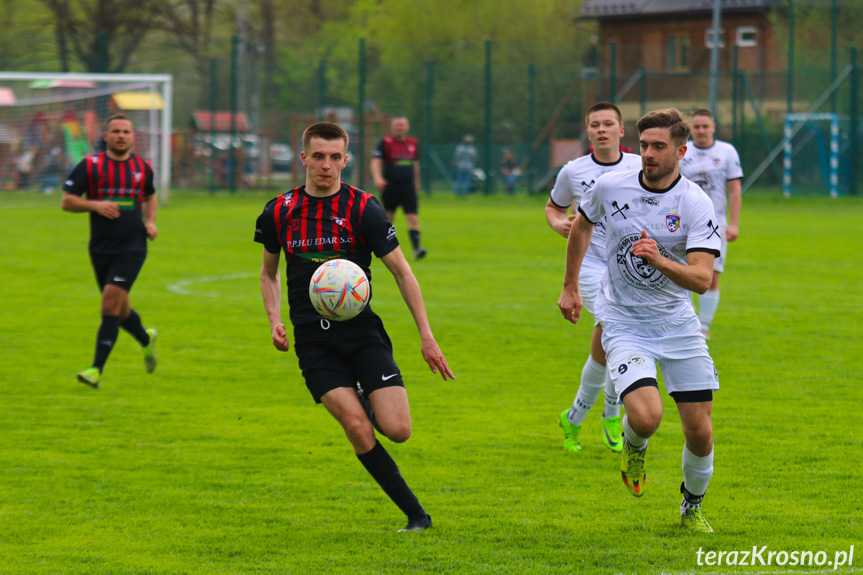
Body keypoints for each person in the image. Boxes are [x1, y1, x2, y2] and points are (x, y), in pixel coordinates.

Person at [256, 122, 454, 532]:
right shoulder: (280, 210)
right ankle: (417, 516)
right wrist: (275, 320)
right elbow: (268, 273)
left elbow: (402, 272)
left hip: (362, 332)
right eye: (318, 156)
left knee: (398, 430)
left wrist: (427, 337)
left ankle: (365, 393)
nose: (326, 166)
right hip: (313, 341)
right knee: (358, 427)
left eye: (334, 158)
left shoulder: (363, 208)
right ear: (304, 158)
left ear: (346, 160)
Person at [558, 109, 721, 533]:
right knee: (646, 418)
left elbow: (702, 279)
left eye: (658, 147)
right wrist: (571, 286)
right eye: (644, 145)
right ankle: (634, 449)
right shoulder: (610, 186)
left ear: (681, 151)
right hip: (624, 322)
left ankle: (691, 507)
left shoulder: (695, 202)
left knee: (700, 431)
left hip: (677, 324)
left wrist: (660, 258)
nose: (647, 154)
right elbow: (581, 225)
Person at [546, 102, 641, 454]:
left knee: (614, 341)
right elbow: (553, 207)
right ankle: (611, 415)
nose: (601, 130)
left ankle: (573, 417)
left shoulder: (637, 166)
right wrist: (558, 223)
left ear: (620, 130)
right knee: (618, 331)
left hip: (626, 265)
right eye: (595, 125)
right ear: (588, 133)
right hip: (588, 265)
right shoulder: (573, 171)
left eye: (608, 124)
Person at [61, 114, 158, 389]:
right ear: (105, 136)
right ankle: (145, 340)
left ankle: (95, 370)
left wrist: (150, 222)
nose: (121, 136)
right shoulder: (90, 166)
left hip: (133, 247)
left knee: (108, 304)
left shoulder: (143, 167)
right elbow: (67, 202)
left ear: (133, 137)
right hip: (101, 249)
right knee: (121, 309)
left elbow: (150, 197)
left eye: (126, 131)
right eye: (115, 131)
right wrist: (96, 205)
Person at [678, 108, 743, 340]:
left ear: (713, 127)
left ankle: (704, 327)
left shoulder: (727, 151)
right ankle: (687, 320)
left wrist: (733, 223)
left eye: (705, 126)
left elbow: (734, 190)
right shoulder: (682, 152)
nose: (701, 131)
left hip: (715, 222)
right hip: (684, 221)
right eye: (697, 127)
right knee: (681, 270)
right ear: (690, 129)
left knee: (712, 275)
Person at [371, 116, 426, 260]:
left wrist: (416, 181)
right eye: (397, 125)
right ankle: (382, 249)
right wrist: (378, 178)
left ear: (407, 127)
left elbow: (415, 164)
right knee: (388, 220)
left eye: (402, 125)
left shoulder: (413, 143)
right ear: (392, 127)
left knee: (413, 217)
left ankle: (417, 250)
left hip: (408, 188)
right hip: (390, 187)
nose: (399, 127)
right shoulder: (386, 143)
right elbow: (376, 161)